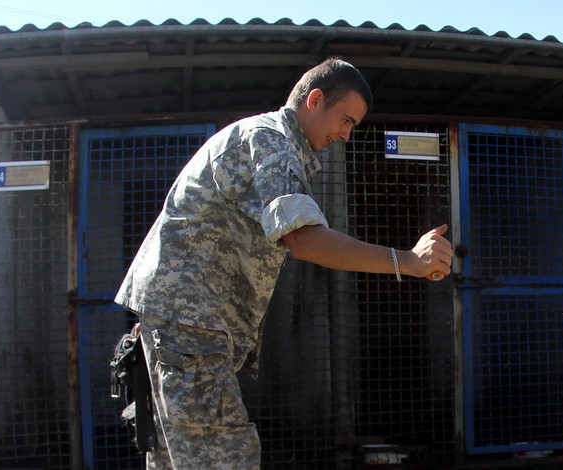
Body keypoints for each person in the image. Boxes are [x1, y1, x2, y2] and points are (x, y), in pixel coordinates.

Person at [114, 57, 453, 470]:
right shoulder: (269, 140)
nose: (346, 135)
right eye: (345, 120)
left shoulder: (271, 141)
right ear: (315, 99)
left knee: (179, 461)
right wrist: (408, 261)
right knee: (225, 459)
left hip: (185, 327)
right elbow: (304, 239)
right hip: (190, 328)